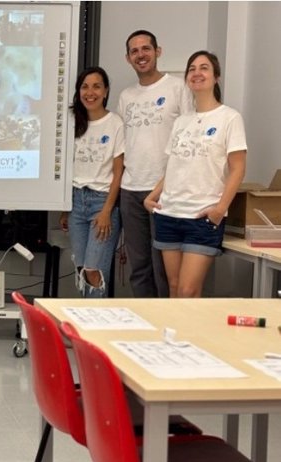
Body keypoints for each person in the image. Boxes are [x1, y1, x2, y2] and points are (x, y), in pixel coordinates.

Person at [144, 51, 246, 298]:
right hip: (169, 214)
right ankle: (176, 338)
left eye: (204, 68)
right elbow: (174, 167)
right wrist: (152, 196)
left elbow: (238, 168)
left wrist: (221, 209)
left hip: (202, 217)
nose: (197, 73)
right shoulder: (181, 122)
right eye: (192, 69)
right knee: (175, 289)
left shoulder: (229, 118)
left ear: (216, 77)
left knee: (189, 291)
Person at [118, 30, 193, 298]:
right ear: (128, 58)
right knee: (138, 267)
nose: (141, 55)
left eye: (146, 48)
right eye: (135, 51)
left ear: (157, 51)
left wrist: (168, 185)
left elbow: (187, 138)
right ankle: (143, 325)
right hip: (130, 189)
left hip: (163, 191)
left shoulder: (177, 88)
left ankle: (164, 326)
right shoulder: (126, 96)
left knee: (163, 267)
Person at [60, 67, 124, 298]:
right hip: (76, 201)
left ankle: (94, 329)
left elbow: (118, 172)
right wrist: (66, 208)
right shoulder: (72, 123)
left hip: (102, 202)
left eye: (97, 86)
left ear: (106, 91)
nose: (90, 92)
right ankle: (85, 325)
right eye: (85, 87)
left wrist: (107, 210)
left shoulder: (115, 123)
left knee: (94, 270)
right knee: (81, 269)